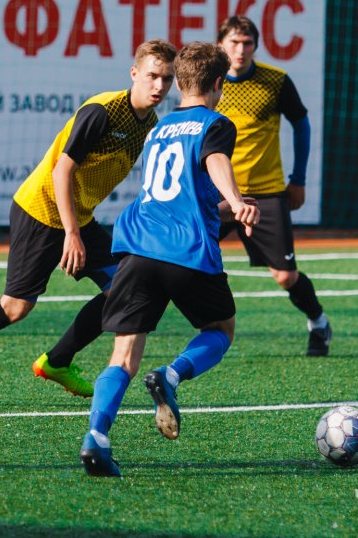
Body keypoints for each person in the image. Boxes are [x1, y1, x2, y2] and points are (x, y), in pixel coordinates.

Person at [0, 39, 178, 406]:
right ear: (134, 73)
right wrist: (71, 234)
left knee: (122, 287)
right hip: (41, 211)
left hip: (77, 216)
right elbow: (61, 170)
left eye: (167, 79)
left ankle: (57, 362)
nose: (159, 86)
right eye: (152, 76)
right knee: (15, 307)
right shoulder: (102, 112)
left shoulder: (149, 123)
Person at [79, 42, 259, 477]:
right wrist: (236, 200)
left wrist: (222, 206)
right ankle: (172, 376)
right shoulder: (216, 122)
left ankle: (96, 439)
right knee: (220, 329)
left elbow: (177, 191)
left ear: (178, 82)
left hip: (139, 246)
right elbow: (215, 159)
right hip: (185, 249)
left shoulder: (159, 128)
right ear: (219, 84)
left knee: (122, 356)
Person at [215, 16, 331, 356]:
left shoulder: (275, 81)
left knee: (284, 276)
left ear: (256, 45)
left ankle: (319, 323)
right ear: (221, 43)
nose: (240, 50)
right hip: (219, 193)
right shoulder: (210, 80)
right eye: (234, 42)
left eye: (247, 43)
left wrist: (299, 179)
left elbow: (301, 124)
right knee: (181, 261)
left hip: (265, 193)